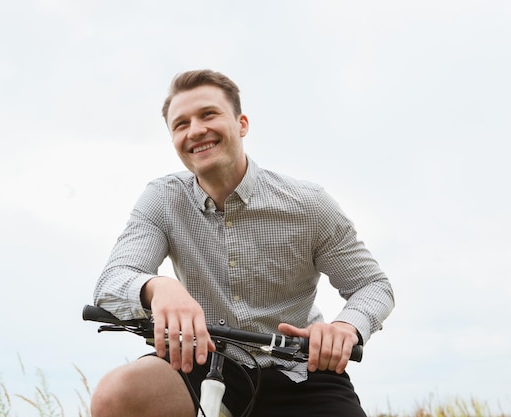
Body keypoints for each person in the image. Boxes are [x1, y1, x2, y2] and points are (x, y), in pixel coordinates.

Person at [90, 69, 395, 417]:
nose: (196, 130)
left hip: (298, 370)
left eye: (208, 114)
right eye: (181, 124)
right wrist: (157, 287)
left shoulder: (309, 204)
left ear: (242, 124)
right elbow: (112, 280)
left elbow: (372, 285)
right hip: (203, 360)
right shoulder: (162, 199)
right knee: (119, 395)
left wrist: (346, 327)